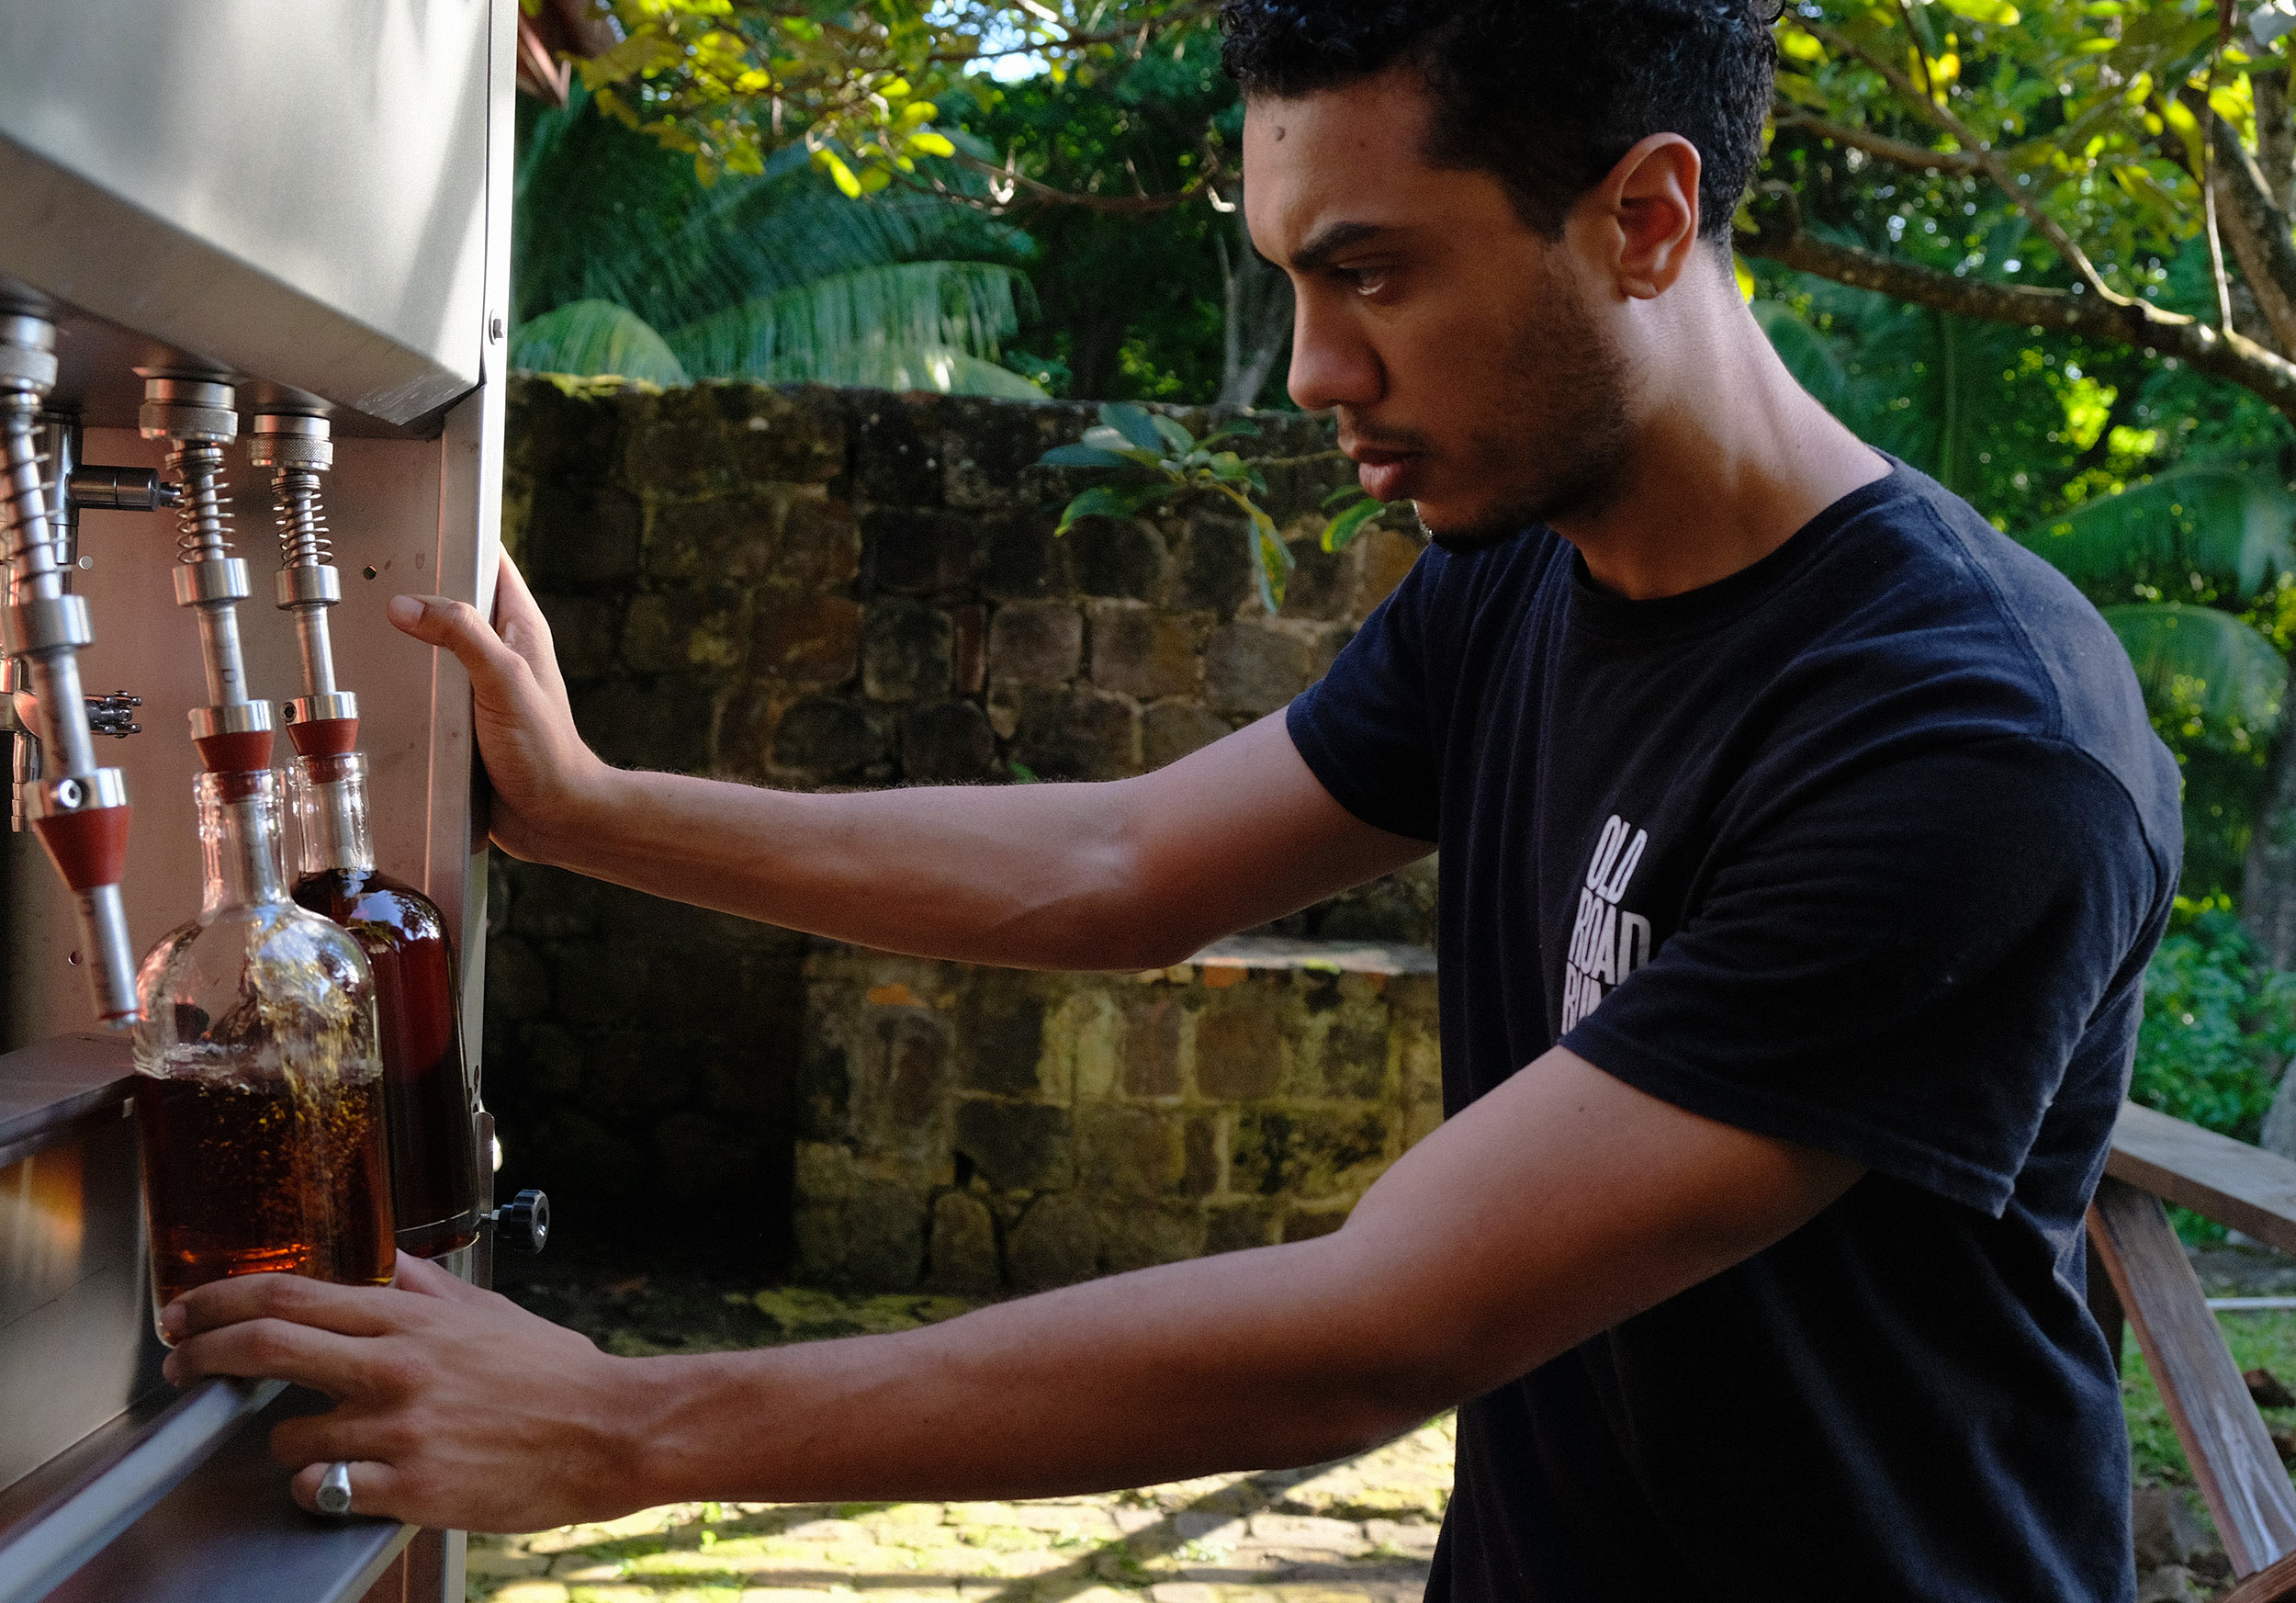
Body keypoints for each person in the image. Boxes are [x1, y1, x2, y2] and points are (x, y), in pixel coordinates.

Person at [163, 2, 2180, 1597]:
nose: (1310, 372)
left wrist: (627, 1431)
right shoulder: (1522, 574)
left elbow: (1380, 1325)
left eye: (1371, 276)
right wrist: (599, 810)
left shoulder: (1967, 745)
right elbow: (1123, 864)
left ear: (1642, 219)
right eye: (1291, 277)